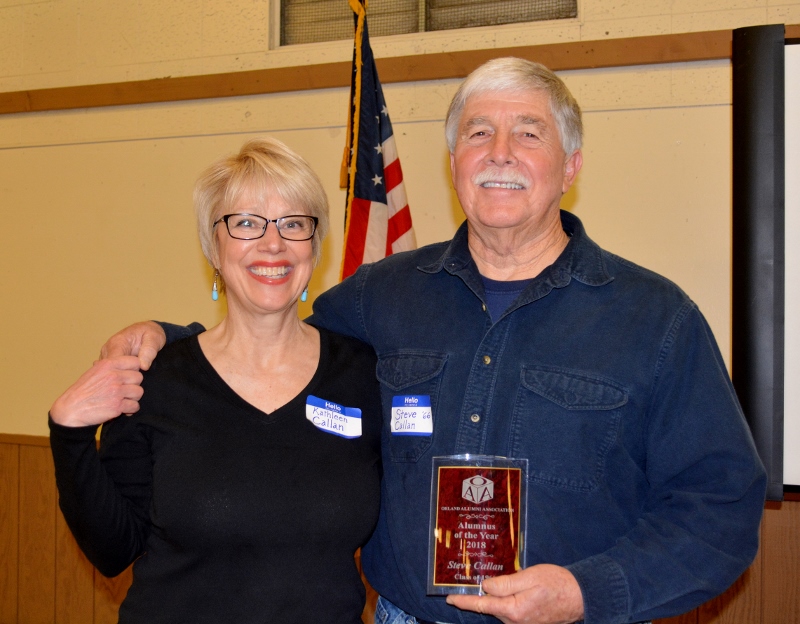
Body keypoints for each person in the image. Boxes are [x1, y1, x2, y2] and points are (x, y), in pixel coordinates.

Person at [100, 58, 767, 624]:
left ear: (571, 167)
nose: (500, 151)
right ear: (454, 164)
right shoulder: (377, 298)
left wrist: (584, 592)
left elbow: (722, 509)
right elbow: (270, 340)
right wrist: (170, 339)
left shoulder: (655, 320)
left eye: (527, 133)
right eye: (479, 132)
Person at [48, 137, 382, 624]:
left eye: (294, 224)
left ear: (315, 246)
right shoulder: (156, 379)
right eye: (246, 223)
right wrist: (69, 434)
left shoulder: (364, 376)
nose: (274, 243)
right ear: (214, 247)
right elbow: (113, 549)